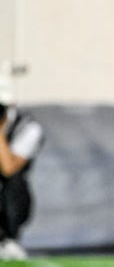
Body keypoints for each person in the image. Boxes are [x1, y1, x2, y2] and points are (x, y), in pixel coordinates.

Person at [0, 74, 44, 260]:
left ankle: (9, 239)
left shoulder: (28, 128)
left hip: (10, 197)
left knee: (14, 181)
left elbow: (8, 167)